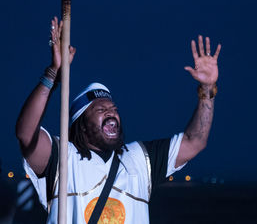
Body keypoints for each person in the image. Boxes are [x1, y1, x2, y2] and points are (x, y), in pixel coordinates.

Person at [15, 16, 221, 223]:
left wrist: (206, 90)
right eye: (101, 109)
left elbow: (195, 141)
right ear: (82, 125)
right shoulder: (63, 159)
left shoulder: (139, 159)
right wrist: (52, 73)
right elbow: (26, 134)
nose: (111, 112)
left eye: (113, 108)